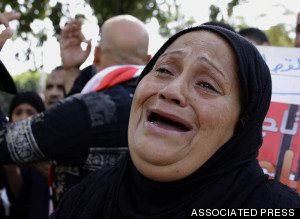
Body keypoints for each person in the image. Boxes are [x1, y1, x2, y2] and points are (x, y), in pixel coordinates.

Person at [49, 25, 300, 218]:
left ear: (243, 123)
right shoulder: (84, 198)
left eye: (206, 84)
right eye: (164, 70)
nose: (171, 91)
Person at [3, 92, 49, 219]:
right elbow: (20, 199)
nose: (23, 118)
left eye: (30, 113)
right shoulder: (6, 151)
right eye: (18, 112)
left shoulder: (51, 151)